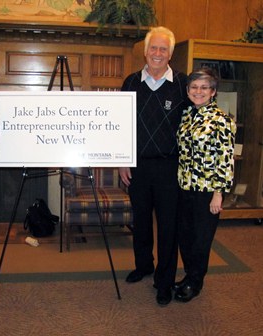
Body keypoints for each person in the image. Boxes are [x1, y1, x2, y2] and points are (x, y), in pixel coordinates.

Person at [119, 26, 188, 306]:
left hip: (170, 168)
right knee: (142, 221)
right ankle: (144, 264)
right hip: (137, 166)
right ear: (145, 52)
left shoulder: (183, 85)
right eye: (153, 48)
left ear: (170, 54)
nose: (157, 53)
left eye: (163, 49)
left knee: (169, 227)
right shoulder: (131, 82)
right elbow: (121, 126)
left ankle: (164, 280)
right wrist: (123, 160)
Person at [174, 67, 236, 302]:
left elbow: (225, 159)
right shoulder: (187, 115)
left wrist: (218, 194)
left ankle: (195, 282)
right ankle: (190, 275)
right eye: (194, 87)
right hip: (184, 187)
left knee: (201, 240)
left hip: (207, 191)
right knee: (186, 237)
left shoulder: (222, 120)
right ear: (188, 90)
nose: (198, 91)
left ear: (213, 91)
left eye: (204, 87)